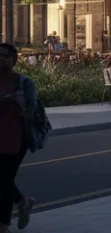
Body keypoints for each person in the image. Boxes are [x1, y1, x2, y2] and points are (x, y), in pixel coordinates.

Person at [0, 43, 37, 231]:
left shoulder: (24, 83)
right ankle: (23, 202)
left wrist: (17, 105)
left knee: (4, 180)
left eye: (6, 56)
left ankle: (3, 223)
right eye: (0, 55)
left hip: (15, 137)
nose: (2, 59)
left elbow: (32, 112)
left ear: (14, 60)